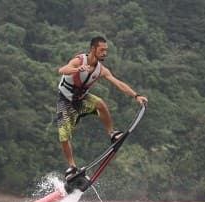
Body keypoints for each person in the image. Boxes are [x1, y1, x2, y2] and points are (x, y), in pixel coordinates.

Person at [56, 36, 148, 181]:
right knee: (63, 134)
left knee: (100, 103)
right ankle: (72, 167)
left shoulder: (101, 70)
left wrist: (136, 96)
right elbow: (62, 70)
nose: (105, 53)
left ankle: (112, 133)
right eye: (102, 50)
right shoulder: (80, 60)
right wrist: (76, 69)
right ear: (93, 49)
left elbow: (118, 83)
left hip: (81, 100)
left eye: (106, 50)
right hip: (65, 100)